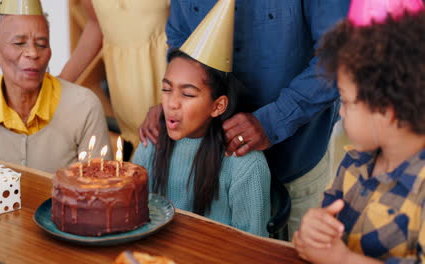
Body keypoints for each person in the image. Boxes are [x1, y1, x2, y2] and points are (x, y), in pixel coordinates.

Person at [139, 0, 350, 239]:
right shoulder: (153, 148)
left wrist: (274, 121)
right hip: (208, 163)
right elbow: (180, 37)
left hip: (296, 156)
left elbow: (339, 57)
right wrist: (178, 99)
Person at [294, 0, 425, 262]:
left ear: (385, 112)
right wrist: (312, 229)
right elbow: (319, 232)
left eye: (345, 101)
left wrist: (340, 259)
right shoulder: (353, 163)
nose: (341, 113)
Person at [133, 0, 271, 237]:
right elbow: (133, 217)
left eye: (187, 94)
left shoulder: (245, 165)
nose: (172, 103)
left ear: (218, 106)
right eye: (167, 89)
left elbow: (252, 250)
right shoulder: (152, 143)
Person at [0, 0, 112, 173]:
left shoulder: (84, 107)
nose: (33, 53)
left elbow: (100, 188)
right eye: (19, 43)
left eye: (41, 44)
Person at [59, 0, 169, 150]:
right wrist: (58, 84)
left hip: (171, 95)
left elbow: (192, 31)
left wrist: (175, 99)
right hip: (126, 105)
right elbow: (96, 24)